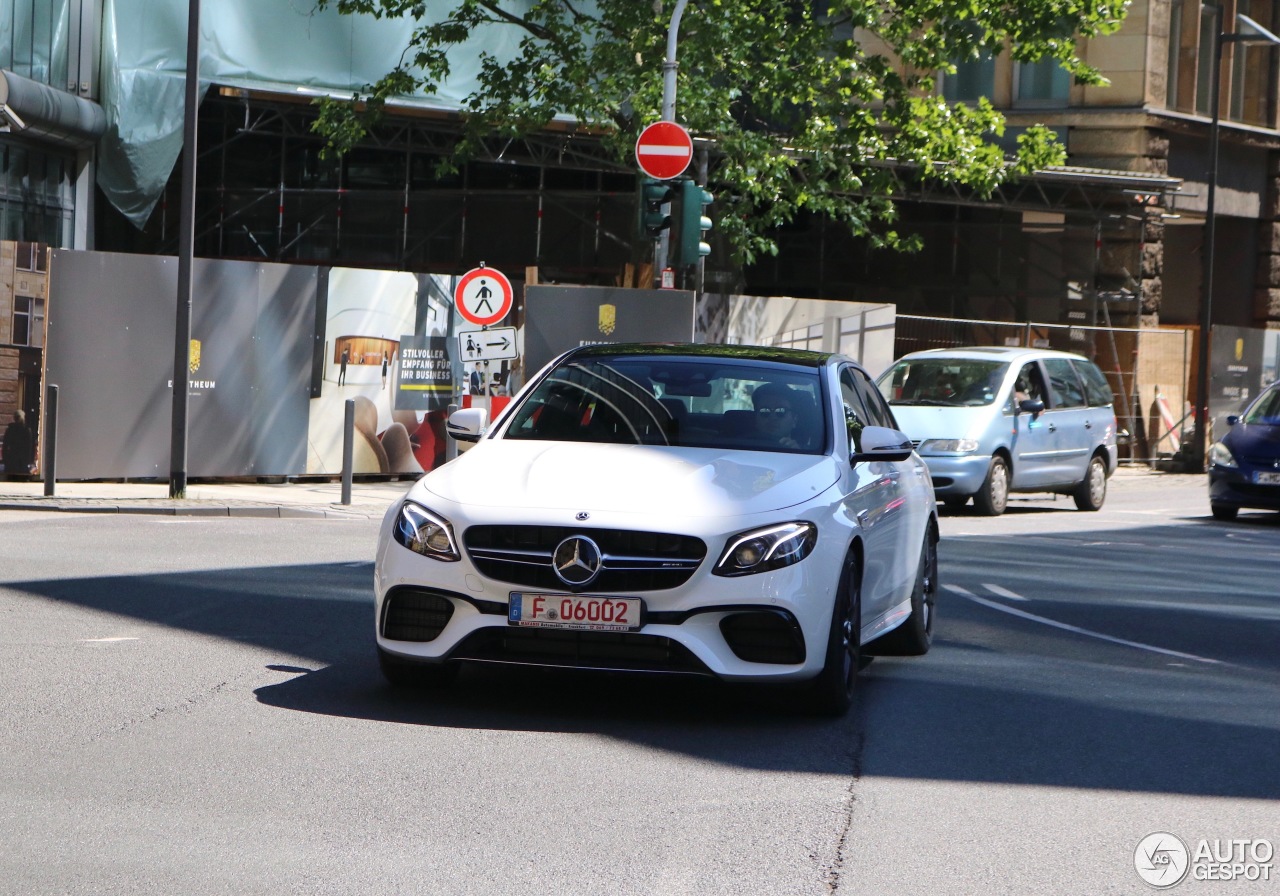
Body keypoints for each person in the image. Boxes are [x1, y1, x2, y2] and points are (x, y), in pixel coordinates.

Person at [751, 383, 801, 449]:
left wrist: (796, 453)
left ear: (794, 420)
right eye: (765, 411)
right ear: (756, 418)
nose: (773, 417)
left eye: (781, 411)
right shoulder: (740, 447)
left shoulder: (808, 455)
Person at [3, 410, 33, 479]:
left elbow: (5, 445)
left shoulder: (10, 429)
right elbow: (29, 447)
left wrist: (5, 458)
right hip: (19, 460)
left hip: (14, 460)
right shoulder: (26, 430)